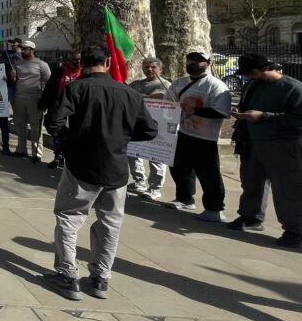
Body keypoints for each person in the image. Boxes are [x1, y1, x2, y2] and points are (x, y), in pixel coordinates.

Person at [43, 45, 157, 301]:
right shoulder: (129, 93)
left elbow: (53, 122)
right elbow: (150, 130)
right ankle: (101, 277)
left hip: (81, 165)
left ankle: (67, 274)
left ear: (82, 63)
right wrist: (121, 137)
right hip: (116, 169)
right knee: (110, 224)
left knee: (69, 218)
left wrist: (70, 142)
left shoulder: (76, 88)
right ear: (108, 61)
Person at [229, 53, 302, 248]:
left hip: (284, 145)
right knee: (251, 182)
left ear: (265, 69)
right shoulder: (252, 85)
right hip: (253, 142)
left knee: (287, 189)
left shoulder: (293, 88)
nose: (247, 77)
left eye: (251, 73)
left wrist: (264, 116)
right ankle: (250, 217)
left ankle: (295, 230)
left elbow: (298, 119)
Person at [166, 51, 232, 222]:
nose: (193, 62)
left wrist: (194, 110)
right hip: (182, 133)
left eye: (199, 60)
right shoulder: (179, 82)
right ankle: (184, 198)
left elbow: (222, 112)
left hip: (205, 138)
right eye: (190, 59)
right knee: (180, 168)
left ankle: (215, 208)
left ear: (208, 63)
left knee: (209, 174)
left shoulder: (216, 86)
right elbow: (167, 103)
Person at [126, 57, 172, 200]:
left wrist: (143, 97)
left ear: (160, 69)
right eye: (146, 67)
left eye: (153, 67)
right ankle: (139, 182)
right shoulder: (135, 84)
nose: (149, 69)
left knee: (156, 158)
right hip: (136, 125)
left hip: (157, 128)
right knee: (133, 155)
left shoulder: (166, 85)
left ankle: (155, 188)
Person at [39, 51, 82, 170]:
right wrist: (44, 102)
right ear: (68, 60)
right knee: (57, 133)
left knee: (73, 135)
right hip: (59, 107)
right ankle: (58, 157)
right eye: (74, 59)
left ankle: (70, 159)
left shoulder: (84, 73)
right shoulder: (59, 72)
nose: (77, 61)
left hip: (77, 109)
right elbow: (50, 87)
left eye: (79, 59)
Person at [12, 40, 51, 163]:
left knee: (36, 127)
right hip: (19, 99)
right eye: (21, 48)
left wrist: (44, 99)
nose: (22, 50)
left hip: (35, 99)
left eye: (25, 49)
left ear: (33, 50)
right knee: (20, 125)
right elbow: (13, 81)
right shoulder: (17, 64)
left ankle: (37, 153)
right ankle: (21, 149)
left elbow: (49, 83)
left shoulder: (42, 64)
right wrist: (12, 76)